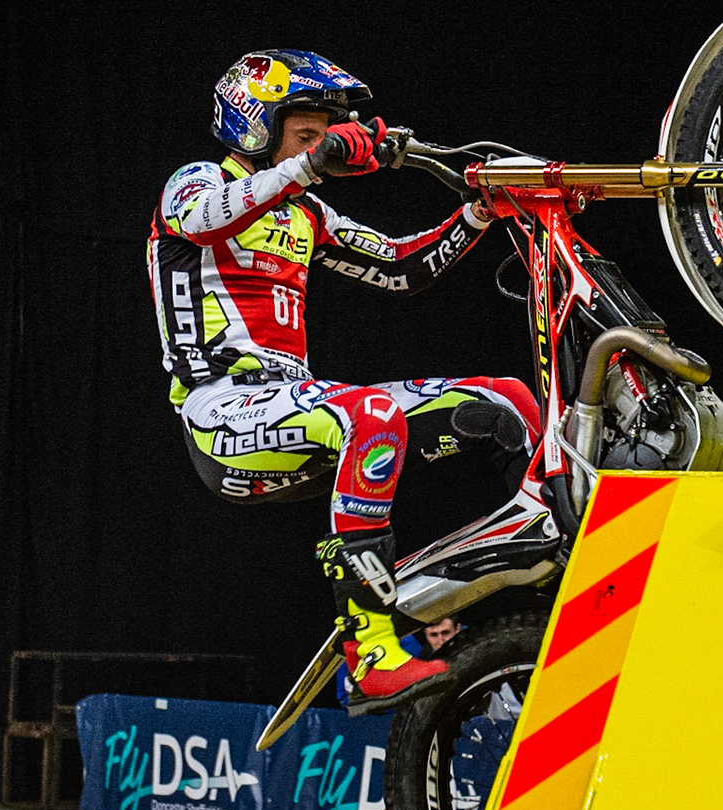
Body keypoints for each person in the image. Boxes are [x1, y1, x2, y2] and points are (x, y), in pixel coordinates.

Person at [148, 50, 544, 711]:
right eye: (306, 133)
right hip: (220, 410)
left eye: (325, 137)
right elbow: (207, 218)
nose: (323, 147)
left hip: (296, 405)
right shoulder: (191, 184)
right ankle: (368, 648)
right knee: (366, 413)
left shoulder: (307, 214)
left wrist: (477, 213)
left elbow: (402, 267)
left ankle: (552, 591)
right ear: (255, 128)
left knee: (507, 400)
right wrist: (308, 164)